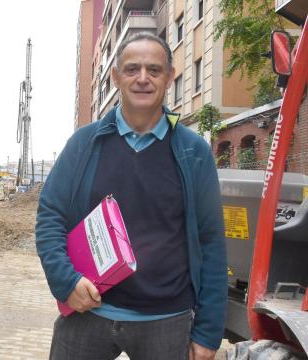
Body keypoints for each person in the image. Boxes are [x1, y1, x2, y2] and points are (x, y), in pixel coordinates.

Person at [36, 32, 226, 360]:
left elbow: (211, 243)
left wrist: (208, 332)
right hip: (87, 312)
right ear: (116, 77)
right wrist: (66, 281)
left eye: (154, 70)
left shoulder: (194, 153)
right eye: (132, 69)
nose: (142, 79)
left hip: (166, 320)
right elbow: (50, 216)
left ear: (169, 77)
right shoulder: (84, 144)